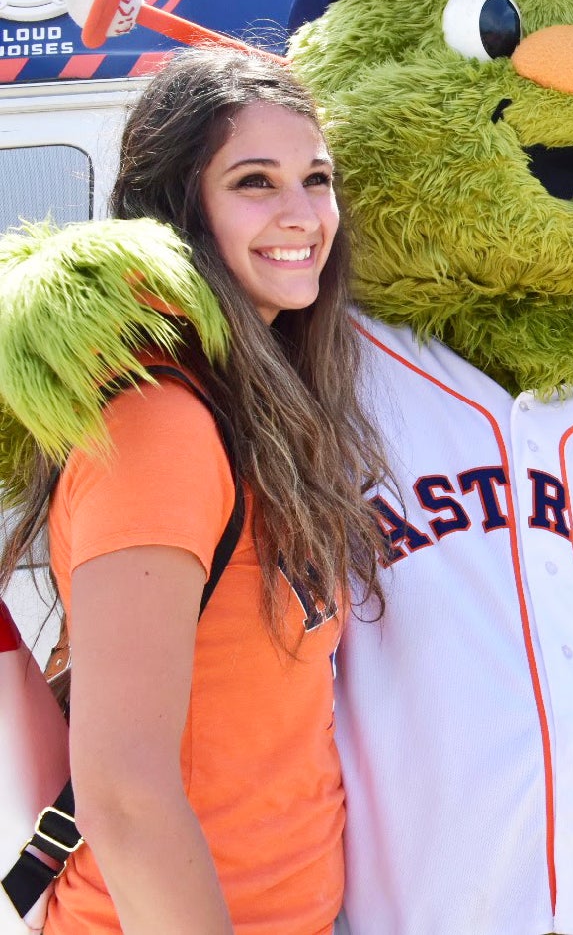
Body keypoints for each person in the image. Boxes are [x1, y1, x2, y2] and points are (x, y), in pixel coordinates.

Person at [0, 47, 389, 934]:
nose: (304, 215)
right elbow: (124, 795)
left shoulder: (255, 401)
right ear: (181, 212)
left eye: (317, 178)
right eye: (256, 182)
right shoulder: (161, 425)